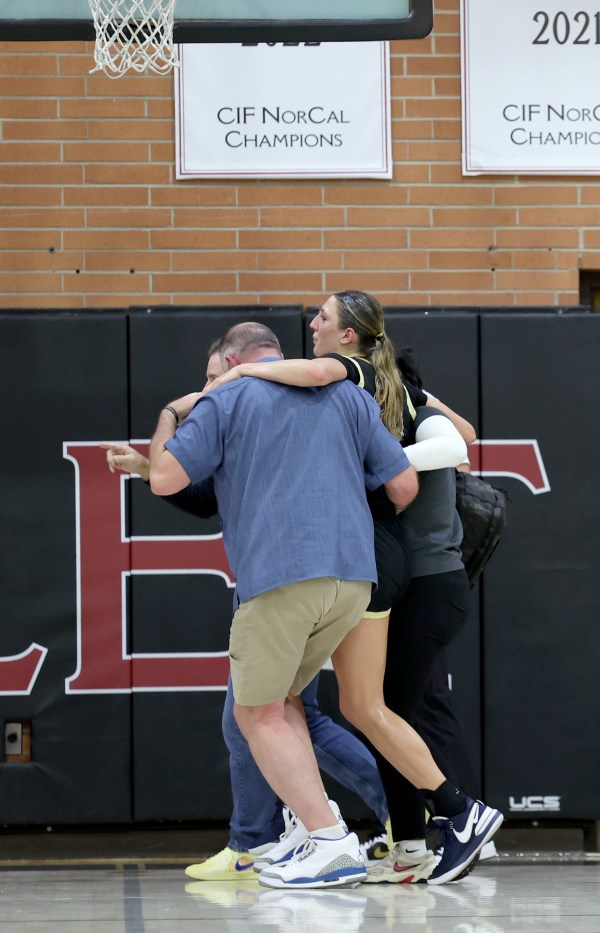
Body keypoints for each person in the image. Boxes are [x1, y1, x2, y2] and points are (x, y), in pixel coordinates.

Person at [210, 292, 501, 884]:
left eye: (322, 317)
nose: (311, 324)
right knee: (370, 707)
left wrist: (238, 376)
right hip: (394, 568)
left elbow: (452, 443)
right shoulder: (384, 383)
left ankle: (436, 819)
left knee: (350, 706)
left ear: (350, 338)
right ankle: (413, 837)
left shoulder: (353, 375)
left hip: (391, 566)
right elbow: (460, 434)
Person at [102, 344, 391, 882]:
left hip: (281, 576)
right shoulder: (347, 396)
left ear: (236, 364)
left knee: (258, 716)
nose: (206, 386)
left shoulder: (229, 397)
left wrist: (170, 413)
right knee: (280, 707)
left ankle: (329, 838)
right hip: (353, 577)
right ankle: (298, 834)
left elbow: (169, 476)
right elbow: (399, 481)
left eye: (212, 374)